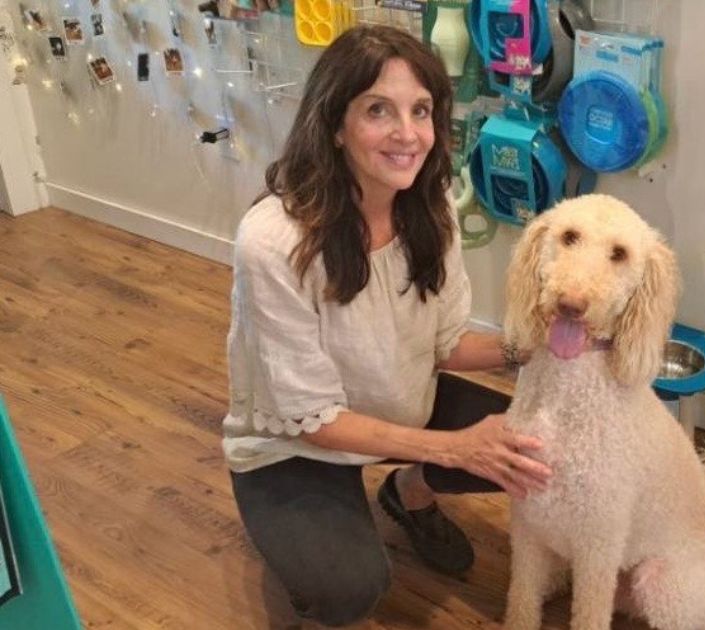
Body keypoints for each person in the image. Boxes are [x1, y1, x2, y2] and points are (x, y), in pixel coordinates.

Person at [221, 25, 551, 627]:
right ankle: (308, 559)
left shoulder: (432, 209)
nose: (408, 135)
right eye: (380, 110)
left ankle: (408, 495)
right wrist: (456, 447)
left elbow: (445, 344)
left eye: (420, 110)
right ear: (335, 125)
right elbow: (316, 421)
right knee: (351, 589)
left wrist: (535, 348)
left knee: (535, 446)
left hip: (398, 404)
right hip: (292, 443)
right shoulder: (272, 242)